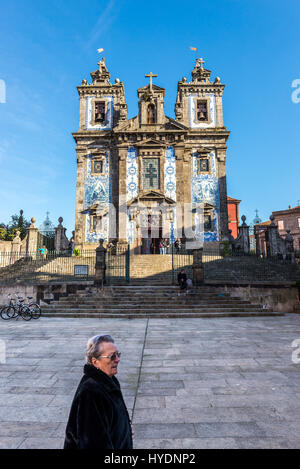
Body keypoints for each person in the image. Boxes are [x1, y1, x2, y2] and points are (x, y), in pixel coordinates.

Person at [64, 334, 133, 449]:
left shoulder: (108, 380)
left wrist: (124, 429)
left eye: (118, 354)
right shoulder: (91, 392)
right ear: (95, 362)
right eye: (112, 356)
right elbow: (92, 443)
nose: (117, 359)